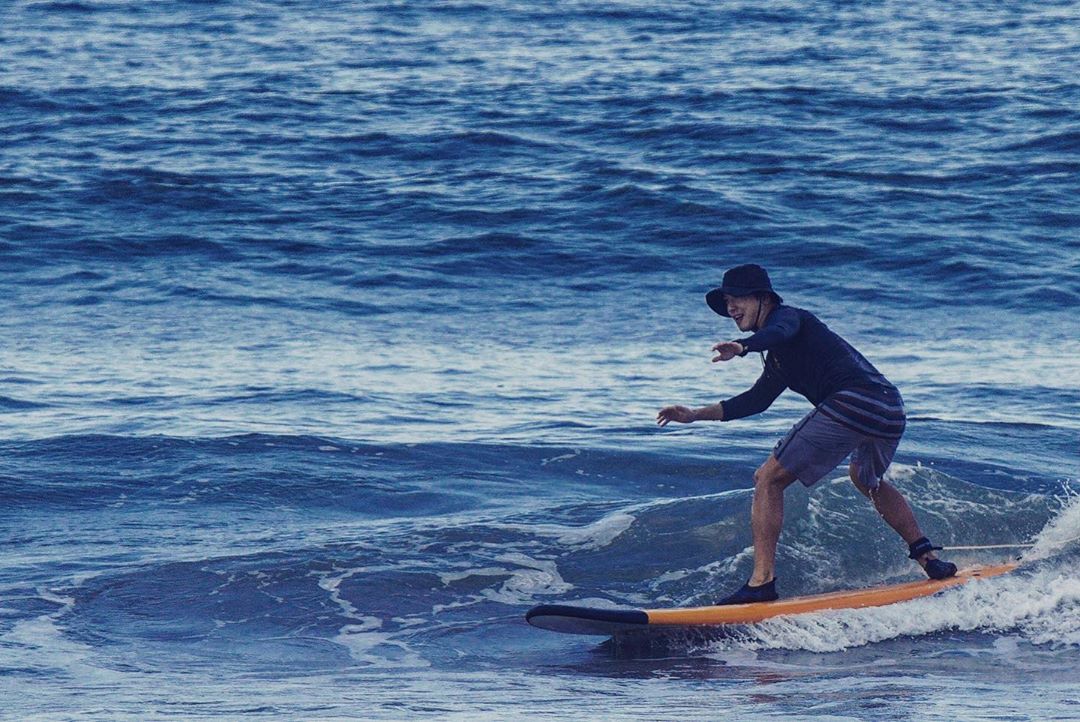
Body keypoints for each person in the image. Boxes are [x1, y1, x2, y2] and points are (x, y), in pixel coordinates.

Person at [657, 264, 957, 605]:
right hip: (888, 408)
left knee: (767, 478)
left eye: (738, 298)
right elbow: (756, 401)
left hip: (856, 402)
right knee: (865, 479)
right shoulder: (780, 358)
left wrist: (744, 347)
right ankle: (927, 557)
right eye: (726, 302)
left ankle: (761, 582)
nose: (731, 308)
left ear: (763, 298)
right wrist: (695, 415)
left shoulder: (790, 319)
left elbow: (779, 331)